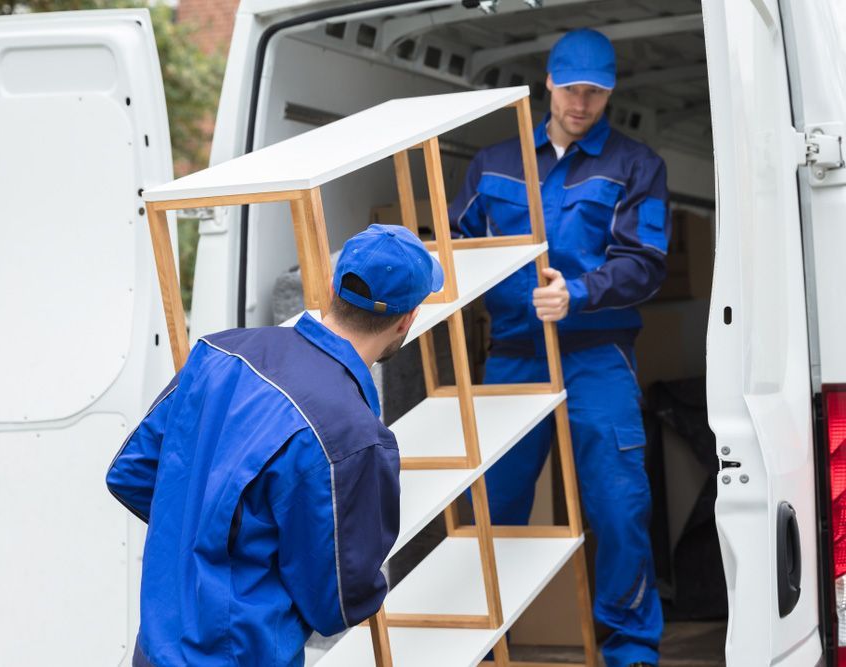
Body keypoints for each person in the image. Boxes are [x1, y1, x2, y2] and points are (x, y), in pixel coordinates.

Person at [106, 224, 443, 667]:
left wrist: (204, 539)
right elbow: (340, 600)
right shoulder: (354, 439)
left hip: (154, 647)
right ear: (407, 320)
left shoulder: (219, 351)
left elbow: (130, 473)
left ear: (330, 287)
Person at [448, 28, 668, 667]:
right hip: (514, 356)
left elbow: (648, 262)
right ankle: (485, 648)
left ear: (610, 93)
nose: (582, 104)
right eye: (572, 89)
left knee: (621, 506)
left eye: (596, 93)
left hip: (597, 355)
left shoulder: (635, 165)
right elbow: (457, 251)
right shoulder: (493, 164)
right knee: (493, 508)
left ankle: (631, 653)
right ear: (549, 82)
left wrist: (580, 291)